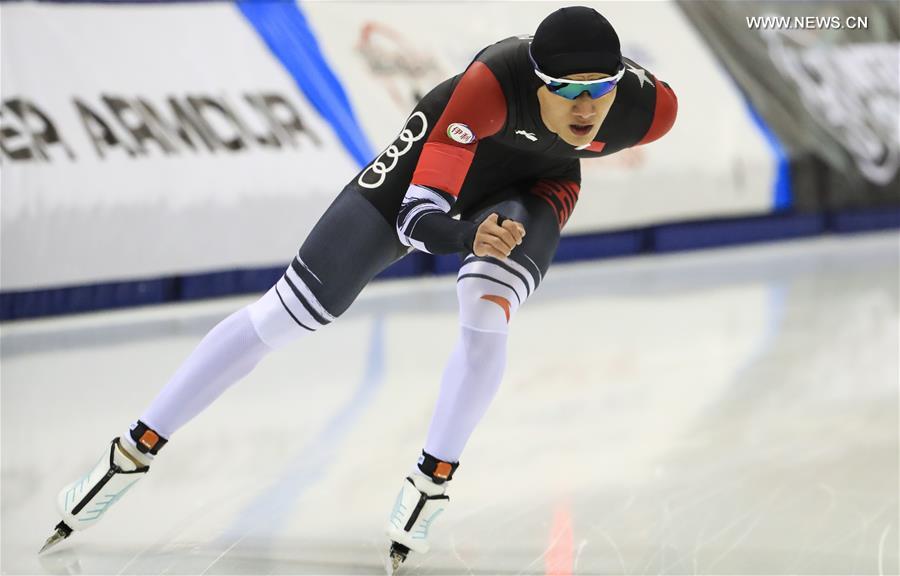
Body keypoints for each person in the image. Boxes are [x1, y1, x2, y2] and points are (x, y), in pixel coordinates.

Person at [41, 6, 677, 571]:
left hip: (534, 187)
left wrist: (493, 228)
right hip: (419, 186)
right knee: (285, 316)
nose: (587, 108)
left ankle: (430, 484)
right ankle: (133, 450)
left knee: (487, 315)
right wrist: (467, 233)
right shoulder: (487, 89)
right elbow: (416, 221)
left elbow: (604, 112)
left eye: (600, 89)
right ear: (536, 83)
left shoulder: (650, 110)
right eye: (567, 90)